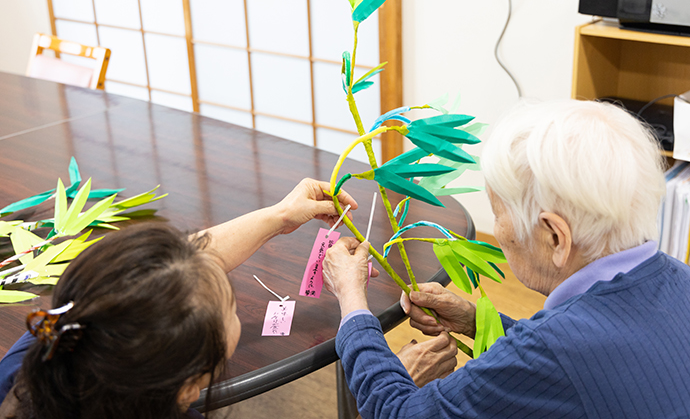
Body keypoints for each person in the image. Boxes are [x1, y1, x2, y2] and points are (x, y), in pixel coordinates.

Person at [322, 100, 690, 418]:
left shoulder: (552, 350)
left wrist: (352, 300)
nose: (495, 229)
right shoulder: (680, 278)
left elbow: (397, 412)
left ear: (555, 237)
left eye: (497, 212)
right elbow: (577, 364)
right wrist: (474, 322)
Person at [0, 178, 358, 419]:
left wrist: (280, 215)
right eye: (231, 308)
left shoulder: (47, 347)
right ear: (188, 390)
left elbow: (167, 270)